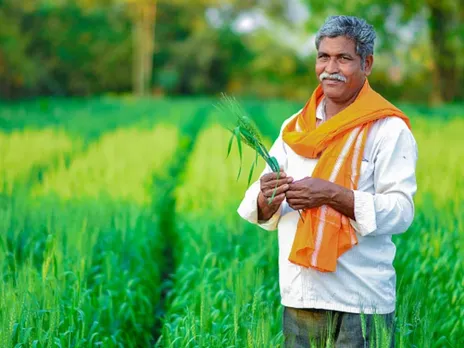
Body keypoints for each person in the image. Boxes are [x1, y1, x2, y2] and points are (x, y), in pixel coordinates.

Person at [237, 15, 418, 347]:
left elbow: (402, 211)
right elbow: (261, 199)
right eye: (324, 56)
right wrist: (266, 195)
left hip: (362, 299)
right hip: (301, 295)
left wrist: (335, 195)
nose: (330, 67)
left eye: (343, 58)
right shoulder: (296, 126)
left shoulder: (388, 130)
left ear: (367, 64)